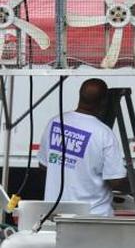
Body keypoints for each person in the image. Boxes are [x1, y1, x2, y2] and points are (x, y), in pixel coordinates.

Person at [37, 78, 128, 216]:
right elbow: (115, 180)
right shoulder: (104, 133)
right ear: (104, 102)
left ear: (79, 95)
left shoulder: (55, 122)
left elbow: (44, 164)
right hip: (92, 217)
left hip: (56, 214)